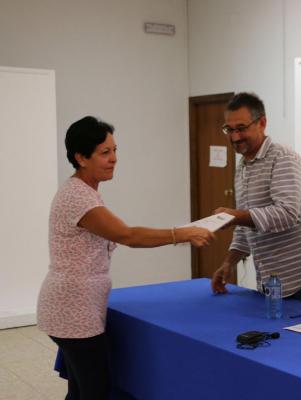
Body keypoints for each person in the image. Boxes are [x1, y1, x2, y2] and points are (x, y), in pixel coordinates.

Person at [37, 116, 215, 399]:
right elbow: (128, 235)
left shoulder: (84, 192)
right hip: (73, 310)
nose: (114, 159)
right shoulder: (79, 198)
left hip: (72, 308)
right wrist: (182, 234)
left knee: (81, 389)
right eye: (105, 153)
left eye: (115, 150)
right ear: (81, 157)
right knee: (95, 390)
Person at [211, 92, 301, 306]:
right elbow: (245, 224)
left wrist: (235, 216)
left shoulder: (282, 157)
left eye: (241, 128)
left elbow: (286, 214)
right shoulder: (243, 167)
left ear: (262, 123)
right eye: (229, 129)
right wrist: (229, 263)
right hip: (272, 278)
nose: (235, 137)